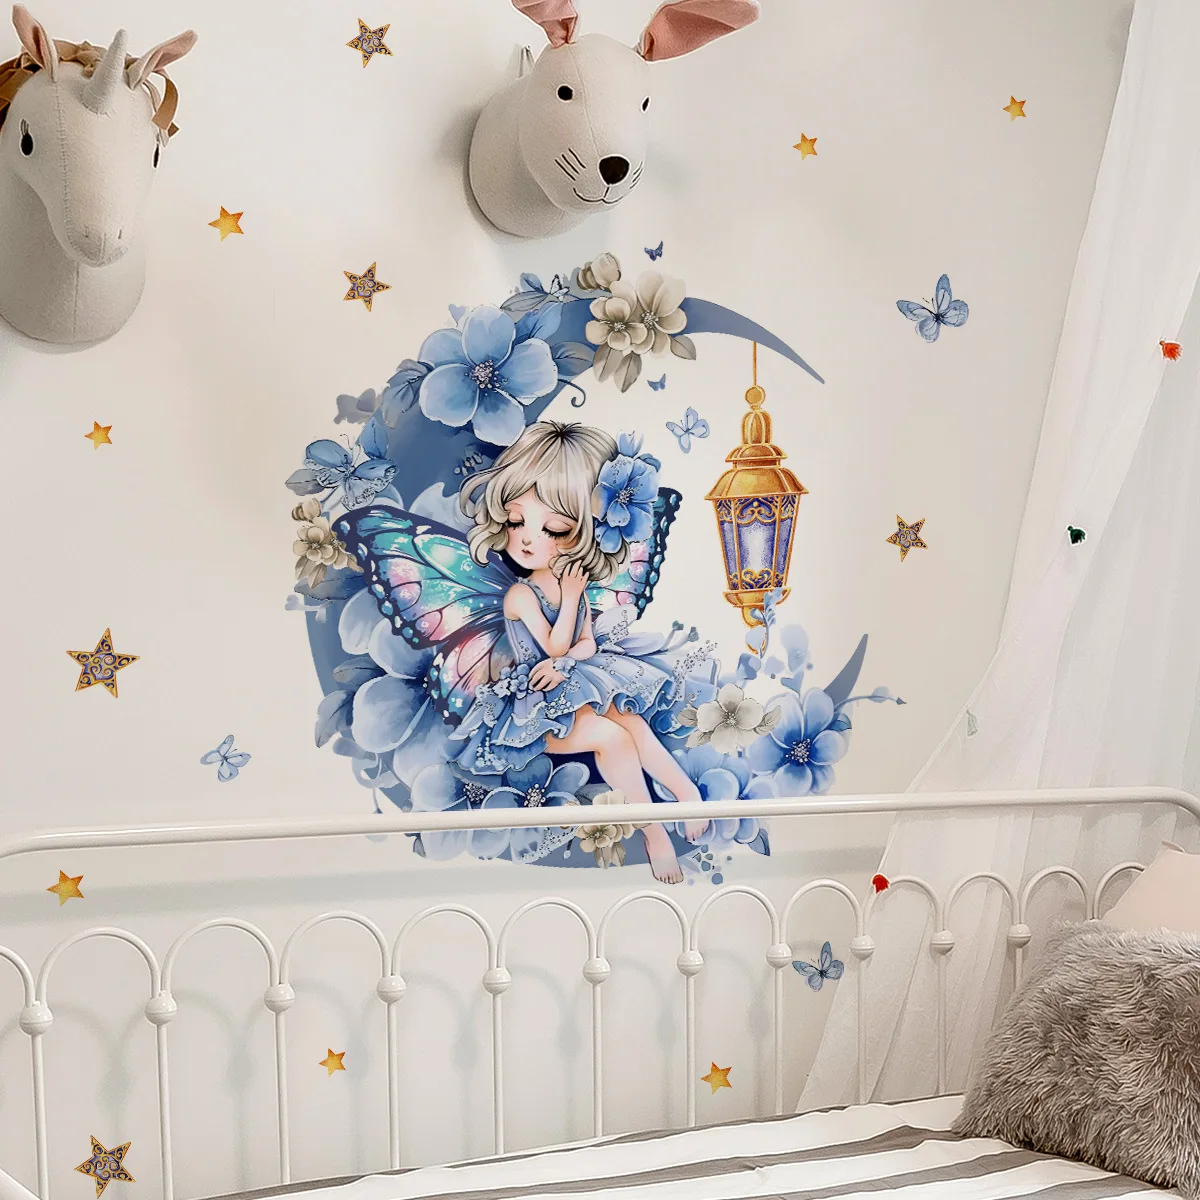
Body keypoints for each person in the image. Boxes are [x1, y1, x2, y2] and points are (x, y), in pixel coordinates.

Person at [452, 420, 709, 883]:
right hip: (532, 712)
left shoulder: (574, 584)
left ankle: (686, 793)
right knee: (613, 738)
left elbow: (584, 642)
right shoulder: (521, 595)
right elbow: (553, 644)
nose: (527, 538)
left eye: (553, 528)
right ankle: (654, 833)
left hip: (570, 687)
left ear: (584, 533)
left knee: (631, 721)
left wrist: (569, 655)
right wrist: (569, 605)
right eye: (516, 521)